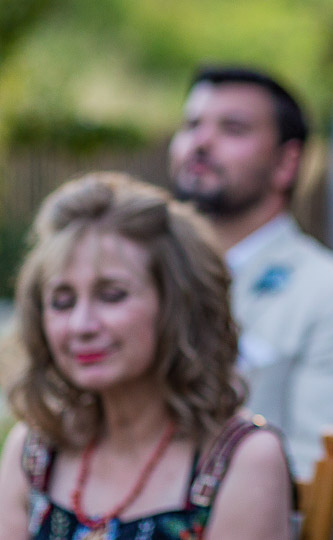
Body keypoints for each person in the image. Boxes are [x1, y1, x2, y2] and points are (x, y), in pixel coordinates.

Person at [0, 172, 293, 539]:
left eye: (112, 295)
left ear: (177, 306)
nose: (81, 325)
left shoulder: (242, 460)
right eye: (62, 301)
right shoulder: (35, 451)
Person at [168, 66, 333, 540]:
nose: (201, 143)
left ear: (287, 163)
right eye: (192, 126)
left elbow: (325, 507)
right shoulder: (138, 284)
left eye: (233, 128)